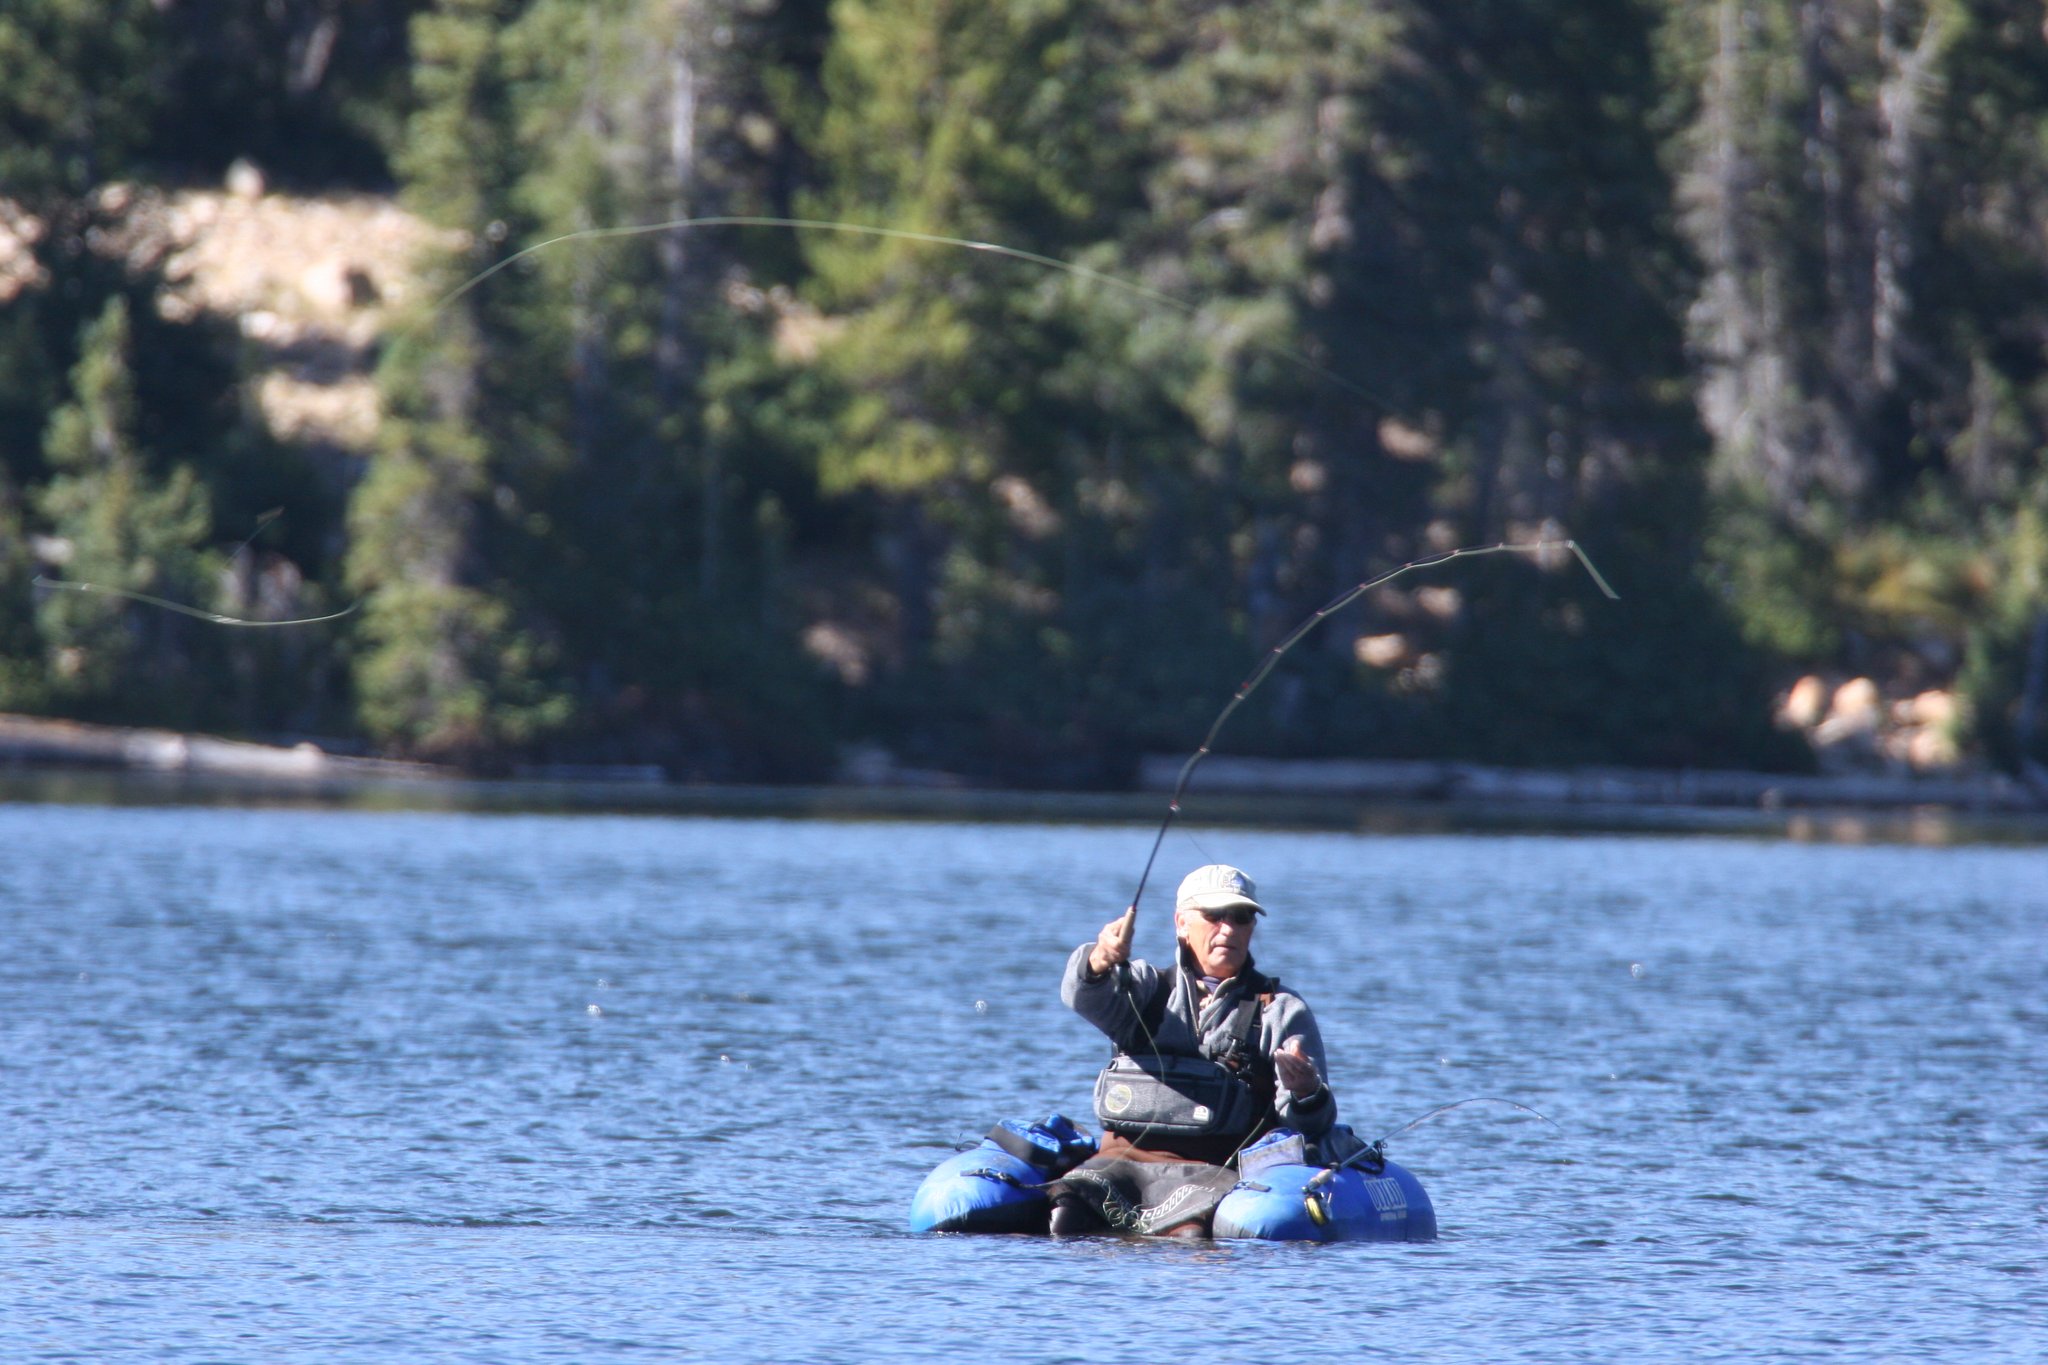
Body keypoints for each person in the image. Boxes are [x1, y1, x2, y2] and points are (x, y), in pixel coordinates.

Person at [1046, 863, 1337, 1236]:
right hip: (1120, 1163)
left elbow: (1310, 1124)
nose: (1228, 929)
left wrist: (1306, 1091)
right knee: (1066, 1213)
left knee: (1190, 1237)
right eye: (1214, 916)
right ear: (1182, 923)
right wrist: (1100, 958)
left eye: (1242, 917)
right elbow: (1081, 994)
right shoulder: (1144, 989)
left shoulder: (1279, 1009)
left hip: (1213, 1172)